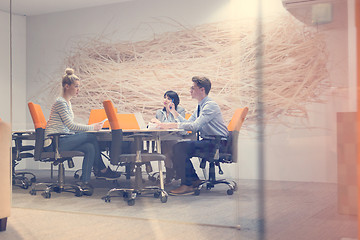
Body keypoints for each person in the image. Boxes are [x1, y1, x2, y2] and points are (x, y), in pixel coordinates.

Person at [44, 68, 120, 190]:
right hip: (55, 143)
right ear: (67, 86)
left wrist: (91, 127)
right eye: (76, 86)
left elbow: (69, 126)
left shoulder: (67, 103)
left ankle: (85, 182)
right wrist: (92, 127)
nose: (78, 89)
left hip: (63, 138)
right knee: (91, 136)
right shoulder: (60, 102)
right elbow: (70, 125)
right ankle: (102, 169)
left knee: (89, 147)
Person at [155, 76, 228, 195]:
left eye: (193, 88)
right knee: (179, 147)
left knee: (180, 147)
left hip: (217, 143)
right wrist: (173, 112)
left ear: (202, 89)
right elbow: (189, 122)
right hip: (210, 141)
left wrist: (173, 125)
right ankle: (193, 179)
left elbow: (194, 127)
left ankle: (187, 184)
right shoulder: (200, 106)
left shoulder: (210, 106)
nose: (190, 90)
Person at [151, 90, 185, 184]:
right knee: (166, 144)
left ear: (174, 101)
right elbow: (157, 125)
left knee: (168, 146)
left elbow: (178, 124)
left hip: (176, 137)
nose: (166, 100)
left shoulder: (179, 111)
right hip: (163, 138)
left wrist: (161, 124)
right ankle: (172, 170)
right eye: (165, 97)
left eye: (169, 98)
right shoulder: (159, 112)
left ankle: (169, 172)